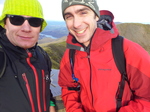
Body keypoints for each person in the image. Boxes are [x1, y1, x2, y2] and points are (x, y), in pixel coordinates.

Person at [58, 0, 150, 112]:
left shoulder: (127, 50)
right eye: (69, 16)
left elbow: (147, 98)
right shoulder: (70, 54)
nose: (76, 24)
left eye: (83, 13)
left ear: (96, 16)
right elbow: (68, 88)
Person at [0, 0, 56, 112]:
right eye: (16, 20)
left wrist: (51, 104)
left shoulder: (42, 55)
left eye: (35, 21)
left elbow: (46, 89)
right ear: (5, 23)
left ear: (40, 27)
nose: (26, 28)